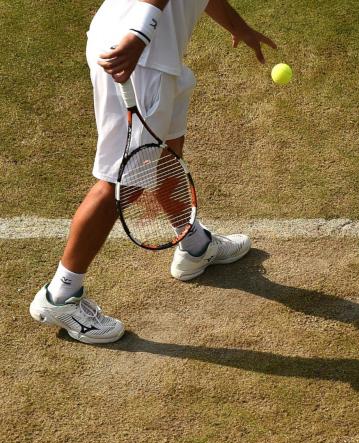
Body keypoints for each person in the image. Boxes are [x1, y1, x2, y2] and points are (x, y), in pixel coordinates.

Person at [29, 0, 276, 344]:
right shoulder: (139, 42)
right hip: (137, 57)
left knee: (166, 155)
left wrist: (237, 26)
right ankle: (60, 295)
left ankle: (195, 245)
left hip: (151, 53)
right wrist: (138, 34)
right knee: (121, 183)